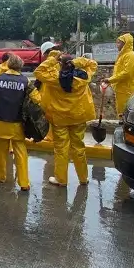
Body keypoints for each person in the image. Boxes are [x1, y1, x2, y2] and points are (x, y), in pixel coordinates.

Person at [35, 51, 98, 187]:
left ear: (60, 64)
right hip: (78, 117)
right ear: (73, 64)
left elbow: (39, 71)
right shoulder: (84, 76)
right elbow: (92, 64)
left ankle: (61, 179)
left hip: (60, 118)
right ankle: (83, 178)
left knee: (61, 148)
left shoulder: (54, 78)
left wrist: (53, 58)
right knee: (78, 147)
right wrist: (77, 61)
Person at [0, 54, 34, 191]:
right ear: (20, 66)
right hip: (18, 123)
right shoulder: (25, 81)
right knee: (20, 152)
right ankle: (24, 183)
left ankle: (1, 177)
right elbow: (36, 98)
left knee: (0, 151)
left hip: (0, 121)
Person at [104, 33, 134, 116]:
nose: (117, 45)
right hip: (121, 89)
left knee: (126, 113)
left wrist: (110, 80)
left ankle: (124, 127)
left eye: (119, 43)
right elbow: (118, 72)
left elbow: (126, 73)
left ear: (125, 43)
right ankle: (121, 126)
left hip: (127, 89)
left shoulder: (131, 56)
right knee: (121, 112)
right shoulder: (123, 55)